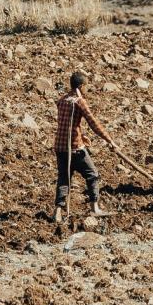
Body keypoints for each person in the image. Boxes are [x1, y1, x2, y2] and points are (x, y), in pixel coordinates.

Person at [53, 71, 113, 222]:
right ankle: (95, 208)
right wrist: (109, 140)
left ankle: (57, 212)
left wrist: (81, 134)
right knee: (92, 174)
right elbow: (94, 123)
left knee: (64, 179)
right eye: (86, 86)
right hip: (74, 148)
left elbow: (68, 124)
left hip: (60, 147)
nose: (87, 89)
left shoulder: (62, 100)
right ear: (81, 86)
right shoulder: (79, 102)